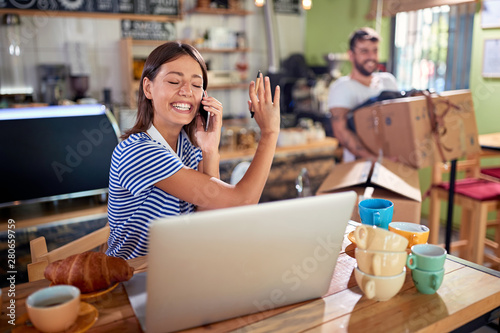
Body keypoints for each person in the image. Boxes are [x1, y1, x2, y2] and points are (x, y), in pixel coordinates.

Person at [106, 42, 281, 259]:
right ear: (148, 88)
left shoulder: (187, 146)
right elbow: (242, 201)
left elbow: (208, 223)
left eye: (197, 85)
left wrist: (209, 151)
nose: (187, 91)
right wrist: (270, 133)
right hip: (135, 278)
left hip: (178, 268)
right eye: (174, 81)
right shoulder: (138, 152)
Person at [328, 27, 399, 163]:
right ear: (351, 55)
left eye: (375, 50)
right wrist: (376, 161)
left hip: (396, 162)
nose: (371, 57)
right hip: (361, 170)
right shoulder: (341, 88)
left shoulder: (388, 81)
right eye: (364, 51)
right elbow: (341, 133)